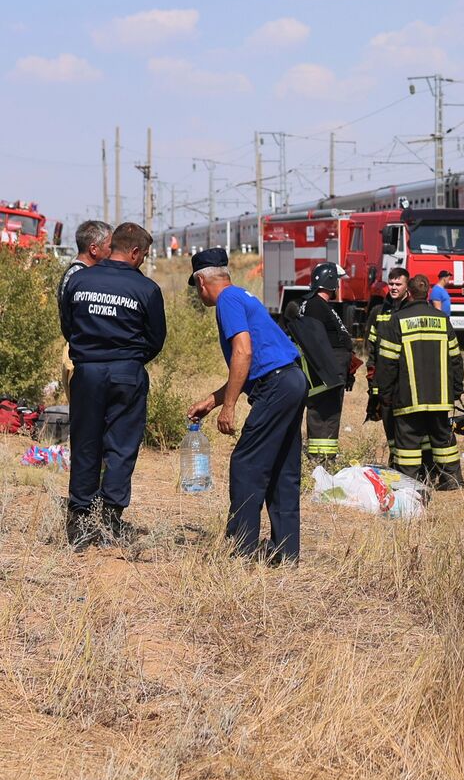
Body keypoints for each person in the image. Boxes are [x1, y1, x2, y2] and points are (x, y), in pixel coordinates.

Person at [187, 249, 307, 563]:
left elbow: (243, 353)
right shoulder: (243, 295)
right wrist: (213, 402)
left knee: (246, 464)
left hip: (277, 386)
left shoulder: (226, 301)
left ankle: (241, 549)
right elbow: (254, 366)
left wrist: (229, 408)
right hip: (292, 380)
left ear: (202, 282)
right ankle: (286, 553)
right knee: (283, 468)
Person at [61, 222, 165, 548]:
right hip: (126, 374)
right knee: (121, 447)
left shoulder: (78, 281)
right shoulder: (146, 289)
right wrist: (129, 359)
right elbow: (155, 339)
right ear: (134, 252)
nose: (144, 261)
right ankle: (109, 519)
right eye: (144, 255)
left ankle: (79, 520)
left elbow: (68, 327)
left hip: (87, 373)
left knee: (85, 443)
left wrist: (91, 353)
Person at [376, 274, 464, 490]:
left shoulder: (396, 320)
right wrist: (456, 389)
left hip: (408, 396)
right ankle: (451, 480)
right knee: (443, 438)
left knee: (408, 441)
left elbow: (387, 363)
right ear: (427, 294)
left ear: (409, 292)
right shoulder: (443, 320)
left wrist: (384, 394)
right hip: (440, 395)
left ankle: (410, 484)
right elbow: (456, 358)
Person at [299, 262, 352, 462]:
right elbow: (315, 341)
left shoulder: (315, 305)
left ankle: (322, 457)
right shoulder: (315, 305)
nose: (337, 285)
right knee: (326, 413)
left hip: (331, 368)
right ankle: (323, 458)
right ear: (330, 282)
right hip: (327, 371)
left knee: (325, 412)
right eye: (336, 281)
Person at [59, 219, 113, 393]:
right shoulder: (77, 277)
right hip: (81, 359)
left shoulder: (81, 274)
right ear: (93, 249)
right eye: (109, 246)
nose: (113, 252)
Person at [366, 267, 409, 456]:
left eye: (398, 284)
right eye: (391, 283)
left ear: (407, 286)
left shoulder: (411, 310)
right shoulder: (379, 311)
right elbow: (372, 347)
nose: (393, 287)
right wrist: (372, 375)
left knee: (407, 424)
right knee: (388, 420)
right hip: (384, 378)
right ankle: (395, 458)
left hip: (407, 376)